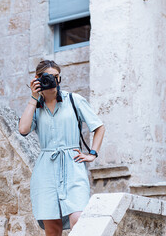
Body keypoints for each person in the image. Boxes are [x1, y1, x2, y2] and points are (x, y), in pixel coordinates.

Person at [18, 60, 105, 236]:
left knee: (79, 219)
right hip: (46, 171)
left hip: (73, 167)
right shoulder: (36, 107)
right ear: (37, 79)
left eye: (56, 77)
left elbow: (99, 127)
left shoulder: (74, 100)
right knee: (53, 229)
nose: (53, 81)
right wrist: (34, 98)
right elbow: (23, 129)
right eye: (47, 77)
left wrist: (93, 153)